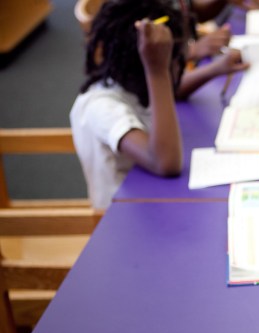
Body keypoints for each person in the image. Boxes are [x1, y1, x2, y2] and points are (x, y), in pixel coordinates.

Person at [69, 0, 245, 209]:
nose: (180, 67)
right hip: (125, 213)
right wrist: (157, 70)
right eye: (178, 60)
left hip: (157, 198)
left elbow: (173, 89)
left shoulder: (133, 82)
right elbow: (164, 162)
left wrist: (216, 69)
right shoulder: (101, 107)